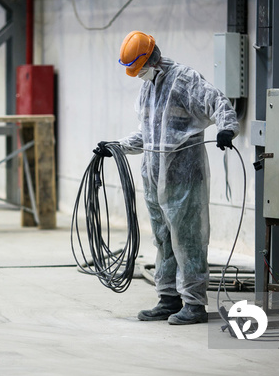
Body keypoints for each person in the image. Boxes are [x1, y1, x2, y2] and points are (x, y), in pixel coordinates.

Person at [94, 31, 239, 325]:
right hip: (155, 176)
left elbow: (218, 102)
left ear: (150, 59)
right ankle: (168, 298)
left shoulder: (183, 80)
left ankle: (195, 305)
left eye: (138, 68)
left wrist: (227, 129)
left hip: (183, 175)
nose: (137, 76)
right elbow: (146, 134)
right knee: (163, 239)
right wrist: (117, 146)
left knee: (187, 240)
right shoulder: (148, 88)